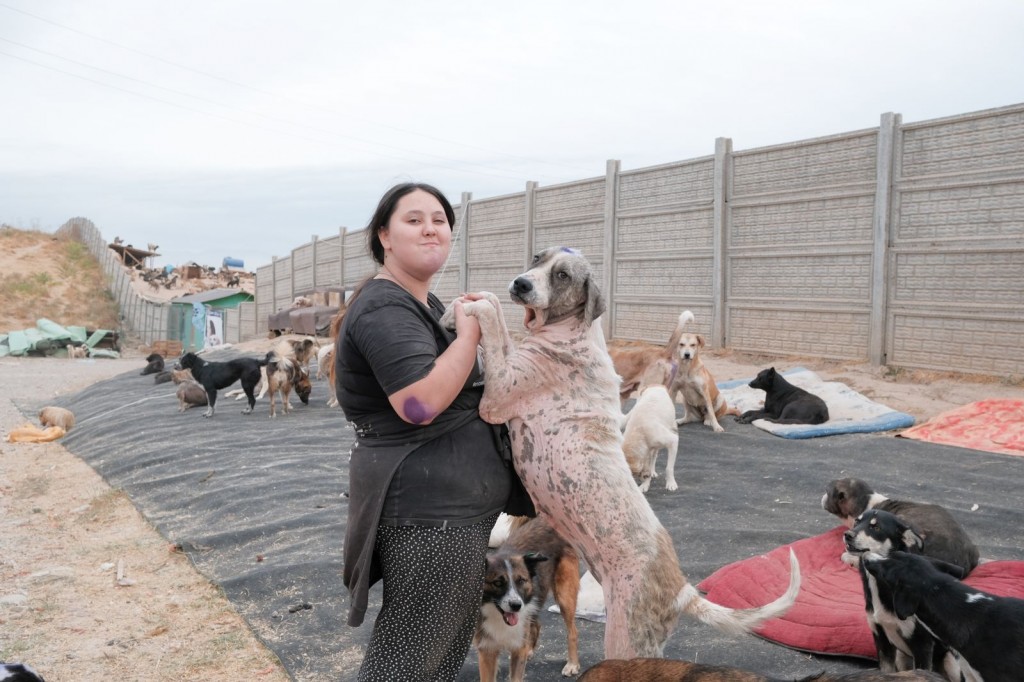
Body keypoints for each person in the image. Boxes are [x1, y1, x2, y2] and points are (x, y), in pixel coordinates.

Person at [335, 182, 530, 681]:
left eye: (439, 220)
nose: (430, 228)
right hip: (429, 516)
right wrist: (468, 335)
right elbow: (419, 402)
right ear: (384, 235)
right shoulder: (384, 307)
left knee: (439, 648)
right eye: (413, 219)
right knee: (410, 655)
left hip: (453, 513)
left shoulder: (419, 304)